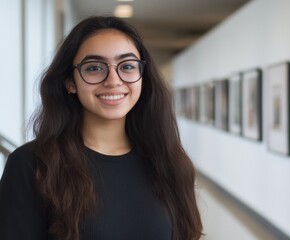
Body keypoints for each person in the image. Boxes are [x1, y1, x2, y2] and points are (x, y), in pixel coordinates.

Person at [0, 16, 202, 240]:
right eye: (94, 67)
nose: (113, 80)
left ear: (142, 76)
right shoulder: (31, 165)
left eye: (127, 66)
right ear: (70, 81)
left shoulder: (168, 161)